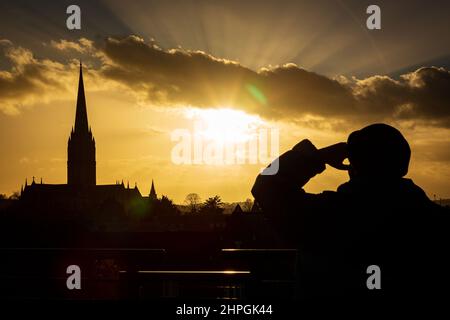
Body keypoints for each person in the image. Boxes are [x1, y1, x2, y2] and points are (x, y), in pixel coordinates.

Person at [252, 123, 448, 298]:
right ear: (402, 165)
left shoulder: (330, 215)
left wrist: (317, 157)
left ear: (352, 167)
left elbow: (266, 186)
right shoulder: (431, 218)